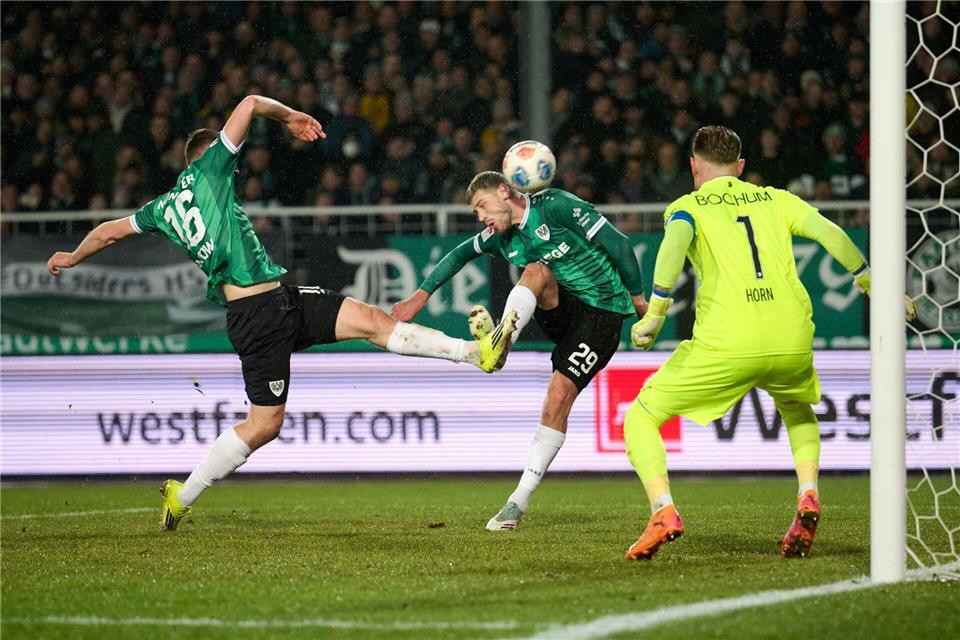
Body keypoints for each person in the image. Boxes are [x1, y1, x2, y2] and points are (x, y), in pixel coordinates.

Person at [46, 95, 517, 531]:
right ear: (209, 154)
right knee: (265, 424)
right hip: (256, 316)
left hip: (280, 300)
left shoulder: (162, 208)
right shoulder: (212, 166)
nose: (235, 160)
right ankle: (181, 495)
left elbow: (109, 230)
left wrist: (71, 255)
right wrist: (289, 116)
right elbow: (249, 102)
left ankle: (478, 354)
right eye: (228, 153)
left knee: (371, 320)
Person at [623, 125, 916, 560]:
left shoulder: (688, 206)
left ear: (693, 166)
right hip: (790, 335)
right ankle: (808, 492)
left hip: (729, 340)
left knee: (641, 417)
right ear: (740, 168)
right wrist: (875, 285)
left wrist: (657, 314)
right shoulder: (776, 198)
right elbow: (830, 233)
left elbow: (674, 245)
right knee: (797, 408)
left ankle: (663, 510)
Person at [392, 171, 647, 530]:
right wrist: (420, 296)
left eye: (482, 206)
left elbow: (618, 244)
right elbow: (459, 254)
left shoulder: (557, 206)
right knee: (536, 269)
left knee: (557, 398)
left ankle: (517, 502)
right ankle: (499, 346)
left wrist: (639, 302)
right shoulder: (501, 236)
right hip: (563, 310)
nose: (480, 217)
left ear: (503, 192)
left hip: (603, 316)